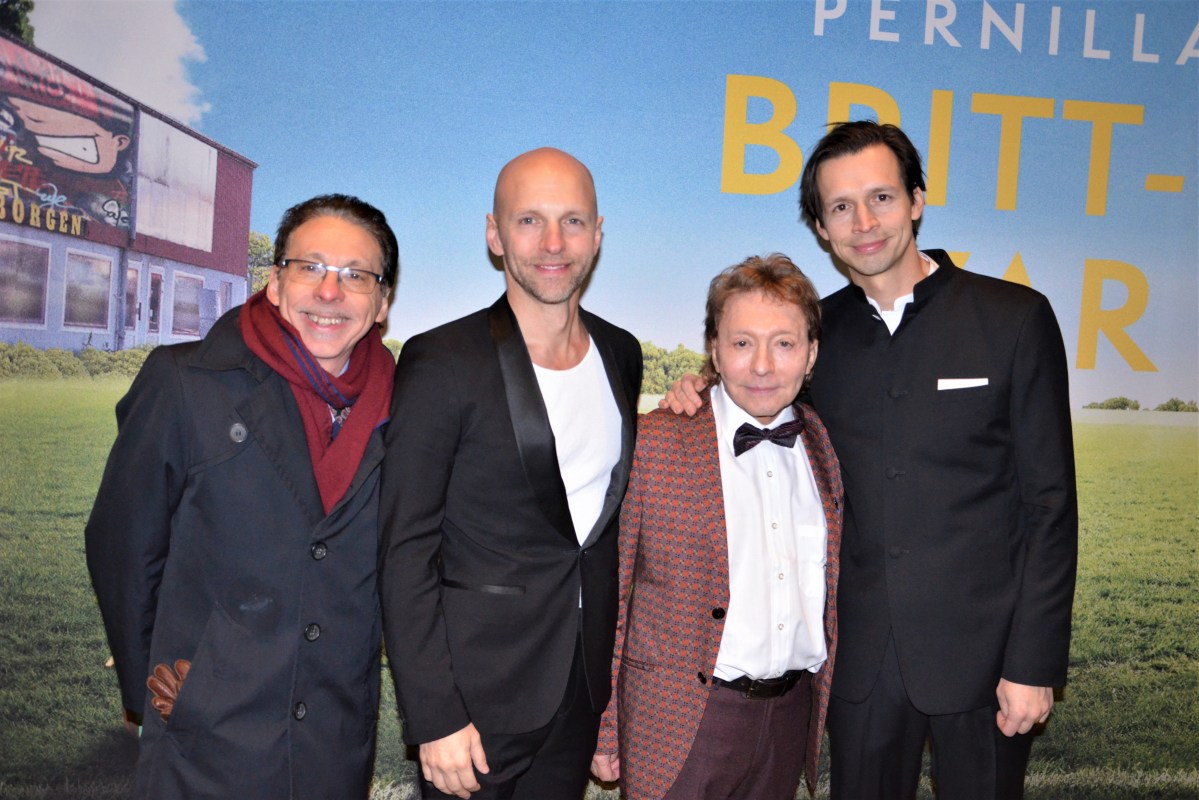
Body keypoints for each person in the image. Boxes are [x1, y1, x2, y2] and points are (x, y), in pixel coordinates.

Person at [664, 121, 1077, 799]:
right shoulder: (814, 336)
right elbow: (756, 386)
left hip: (986, 660)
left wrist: (1033, 663)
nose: (863, 223)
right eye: (840, 207)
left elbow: (1050, 506)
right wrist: (699, 388)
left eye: (880, 198)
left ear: (916, 200)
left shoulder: (1013, 318)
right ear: (820, 229)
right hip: (859, 665)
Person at [85, 194, 400, 798]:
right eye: (310, 267)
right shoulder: (184, 382)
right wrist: (161, 693)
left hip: (335, 741)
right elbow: (122, 547)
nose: (329, 292)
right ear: (275, 282)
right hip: (204, 739)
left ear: (382, 301)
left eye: (356, 275)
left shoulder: (405, 406)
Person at [378, 147, 642, 800]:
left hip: (579, 690)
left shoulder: (622, 352)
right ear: (494, 235)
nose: (553, 243)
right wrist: (434, 715)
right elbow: (405, 547)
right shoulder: (442, 359)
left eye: (572, 221)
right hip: (474, 703)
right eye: (529, 220)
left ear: (598, 234)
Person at [592, 254, 842, 800]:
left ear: (811, 353)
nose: (762, 365)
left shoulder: (823, 444)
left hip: (789, 718)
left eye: (784, 343)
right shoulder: (657, 441)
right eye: (742, 342)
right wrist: (605, 725)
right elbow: (611, 592)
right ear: (714, 349)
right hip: (680, 720)